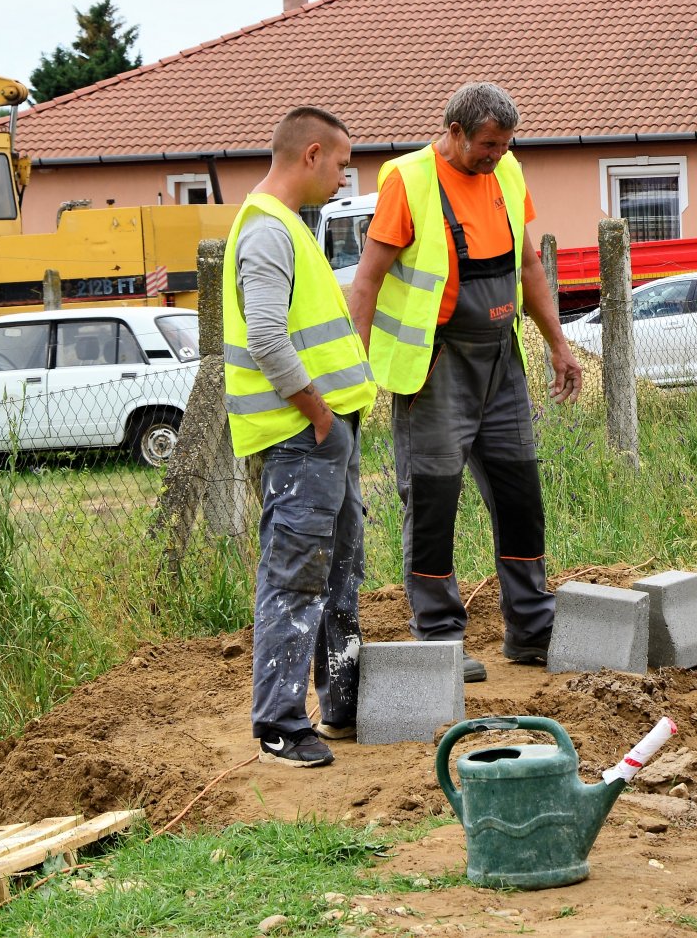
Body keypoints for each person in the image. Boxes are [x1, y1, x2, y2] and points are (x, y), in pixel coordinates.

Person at [346, 82, 582, 683]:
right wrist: (352, 367)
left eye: (505, 146)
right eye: (487, 145)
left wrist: (557, 342)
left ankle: (531, 628)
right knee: (432, 500)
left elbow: (526, 263)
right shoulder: (408, 180)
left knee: (520, 494)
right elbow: (368, 281)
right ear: (454, 131)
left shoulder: (507, 172)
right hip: (436, 366)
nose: (496, 156)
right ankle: (440, 638)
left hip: (502, 362)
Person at [224, 106, 377, 768]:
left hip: (325, 434)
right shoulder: (268, 232)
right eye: (342, 163)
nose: (346, 176)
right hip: (301, 435)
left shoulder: (289, 227)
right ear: (311, 154)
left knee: (340, 567)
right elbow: (264, 337)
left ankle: (339, 702)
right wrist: (316, 412)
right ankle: (281, 724)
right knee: (296, 574)